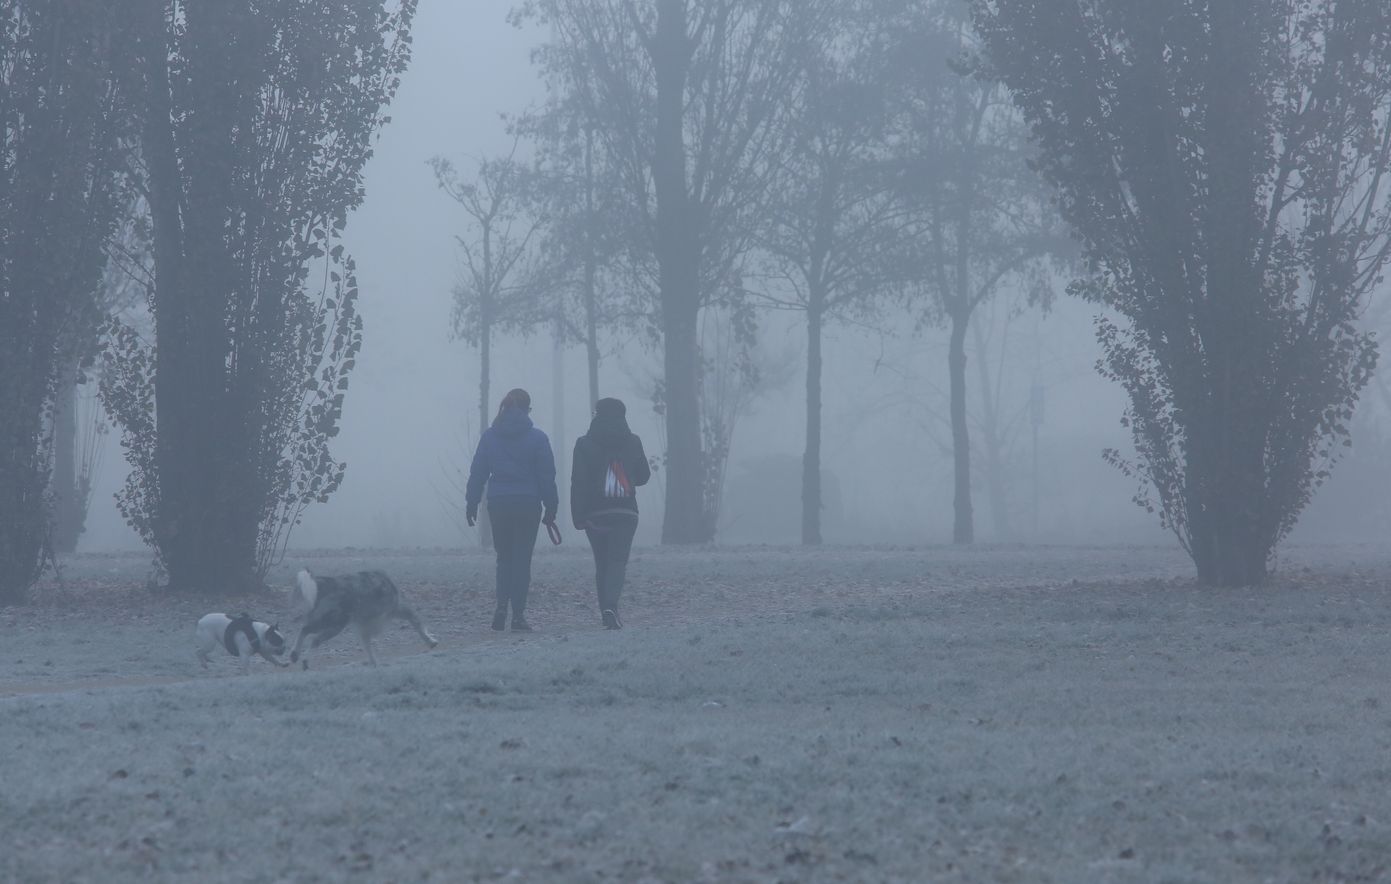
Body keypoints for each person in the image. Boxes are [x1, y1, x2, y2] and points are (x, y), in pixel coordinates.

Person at [466, 388, 558, 632]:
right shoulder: (538, 438)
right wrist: (551, 506)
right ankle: (518, 615)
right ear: (527, 409)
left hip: (499, 504)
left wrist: (471, 501)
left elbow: (478, 472)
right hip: (528, 504)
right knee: (521, 561)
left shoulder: (490, 437)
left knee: (504, 559)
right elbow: (546, 476)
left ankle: (500, 608)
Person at [570, 397, 650, 629]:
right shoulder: (633, 442)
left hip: (596, 512)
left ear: (596, 415)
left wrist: (578, 516)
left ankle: (605, 609)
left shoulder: (584, 444)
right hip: (626, 512)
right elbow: (643, 476)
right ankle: (610, 607)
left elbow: (579, 482)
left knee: (602, 562)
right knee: (617, 561)